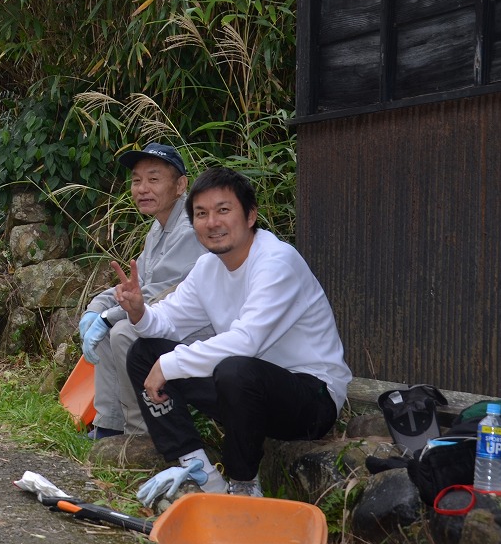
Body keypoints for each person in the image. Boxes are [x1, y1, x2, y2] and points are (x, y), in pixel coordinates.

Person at [113, 166, 351, 498]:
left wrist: (170, 365)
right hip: (245, 395)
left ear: (250, 215)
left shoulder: (277, 261)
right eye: (201, 214)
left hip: (311, 398)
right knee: (144, 352)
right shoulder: (208, 267)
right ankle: (198, 469)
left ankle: (243, 485)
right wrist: (139, 311)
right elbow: (169, 320)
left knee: (234, 369)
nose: (212, 222)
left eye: (223, 210)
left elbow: (246, 341)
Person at [77, 142, 208, 440]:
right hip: (164, 319)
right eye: (136, 180)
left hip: (198, 329)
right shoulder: (160, 227)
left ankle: (141, 434)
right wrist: (96, 309)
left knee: (123, 330)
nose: (142, 188)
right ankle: (110, 426)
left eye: (153, 179)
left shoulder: (189, 228)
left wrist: (108, 317)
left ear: (180, 185)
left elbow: (160, 293)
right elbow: (137, 287)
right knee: (108, 327)